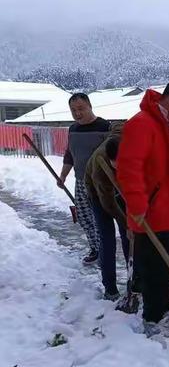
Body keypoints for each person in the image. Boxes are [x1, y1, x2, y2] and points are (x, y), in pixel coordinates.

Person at [116, 78, 169, 335]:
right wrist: (138, 205)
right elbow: (129, 169)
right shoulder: (142, 124)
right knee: (156, 270)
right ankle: (154, 318)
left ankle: (166, 307)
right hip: (153, 214)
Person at [58, 93, 110, 264]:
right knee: (84, 216)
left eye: (80, 109)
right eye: (73, 110)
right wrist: (63, 175)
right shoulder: (73, 129)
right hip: (80, 181)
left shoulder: (104, 127)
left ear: (90, 106)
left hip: (100, 183)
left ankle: (104, 251)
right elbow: (70, 154)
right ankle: (95, 248)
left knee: (99, 219)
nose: (77, 113)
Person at [84, 122, 129, 301]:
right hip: (98, 194)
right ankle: (110, 287)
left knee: (129, 236)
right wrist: (127, 222)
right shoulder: (100, 167)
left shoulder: (130, 142)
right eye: (116, 166)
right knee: (107, 237)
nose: (119, 168)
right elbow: (108, 204)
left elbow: (119, 127)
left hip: (121, 190)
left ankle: (134, 282)